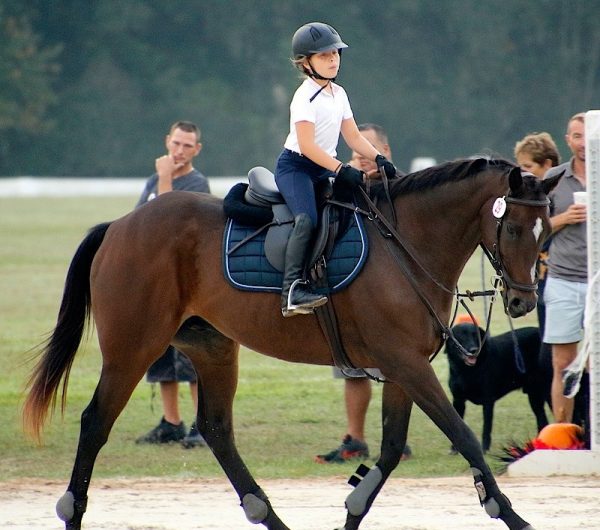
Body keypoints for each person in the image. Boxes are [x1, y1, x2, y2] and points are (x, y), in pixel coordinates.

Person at [275, 22, 397, 318]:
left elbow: (353, 137)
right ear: (306, 63)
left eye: (335, 54)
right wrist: (341, 168)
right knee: (306, 220)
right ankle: (291, 290)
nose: (333, 60)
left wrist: (380, 158)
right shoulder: (304, 97)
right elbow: (306, 145)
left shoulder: (339, 93)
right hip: (297, 168)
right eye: (324, 56)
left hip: (322, 167)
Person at [315, 123, 411, 464]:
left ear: (385, 152)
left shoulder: (402, 189)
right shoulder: (339, 185)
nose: (360, 157)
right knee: (352, 368)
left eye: (368, 150)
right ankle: (355, 440)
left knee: (397, 368)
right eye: (356, 151)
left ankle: (397, 440)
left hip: (393, 296)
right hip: (350, 291)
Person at [135, 121, 210, 447]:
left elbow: (163, 223)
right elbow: (140, 224)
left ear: (197, 150)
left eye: (187, 146)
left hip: (186, 286)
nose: (179, 151)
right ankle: (171, 421)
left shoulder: (197, 183)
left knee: (190, 356)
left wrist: (166, 177)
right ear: (167, 141)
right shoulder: (153, 181)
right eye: (176, 143)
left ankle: (202, 425)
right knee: (160, 354)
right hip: (157, 284)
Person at [542, 113, 587, 424]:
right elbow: (534, 230)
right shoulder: (554, 179)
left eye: (589, 136)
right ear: (567, 140)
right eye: (576, 136)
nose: (583, 144)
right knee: (563, 364)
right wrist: (563, 219)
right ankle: (562, 435)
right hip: (563, 280)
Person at [513, 132, 561, 342]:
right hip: (542, 279)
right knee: (547, 343)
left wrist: (565, 218)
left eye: (528, 167)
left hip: (561, 275)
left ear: (547, 166)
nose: (523, 173)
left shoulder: (560, 194)